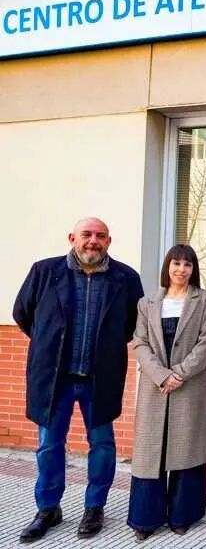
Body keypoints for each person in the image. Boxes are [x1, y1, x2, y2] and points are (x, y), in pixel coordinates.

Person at [12, 217, 144, 543]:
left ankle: (94, 507)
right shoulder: (45, 271)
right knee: (49, 445)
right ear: (72, 238)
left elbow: (132, 325)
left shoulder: (126, 278)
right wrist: (48, 343)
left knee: (102, 444)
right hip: (54, 377)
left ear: (109, 241)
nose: (92, 241)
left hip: (100, 377)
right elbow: (23, 313)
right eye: (86, 234)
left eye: (100, 236)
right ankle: (47, 508)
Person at [127, 244, 206, 541]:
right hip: (155, 386)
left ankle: (182, 515)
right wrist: (162, 375)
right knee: (150, 451)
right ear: (168, 266)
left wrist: (179, 374)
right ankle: (145, 519)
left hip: (190, 385)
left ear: (193, 269)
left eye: (187, 264)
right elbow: (140, 342)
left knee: (185, 447)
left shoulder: (205, 300)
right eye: (176, 263)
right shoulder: (147, 303)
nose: (181, 269)